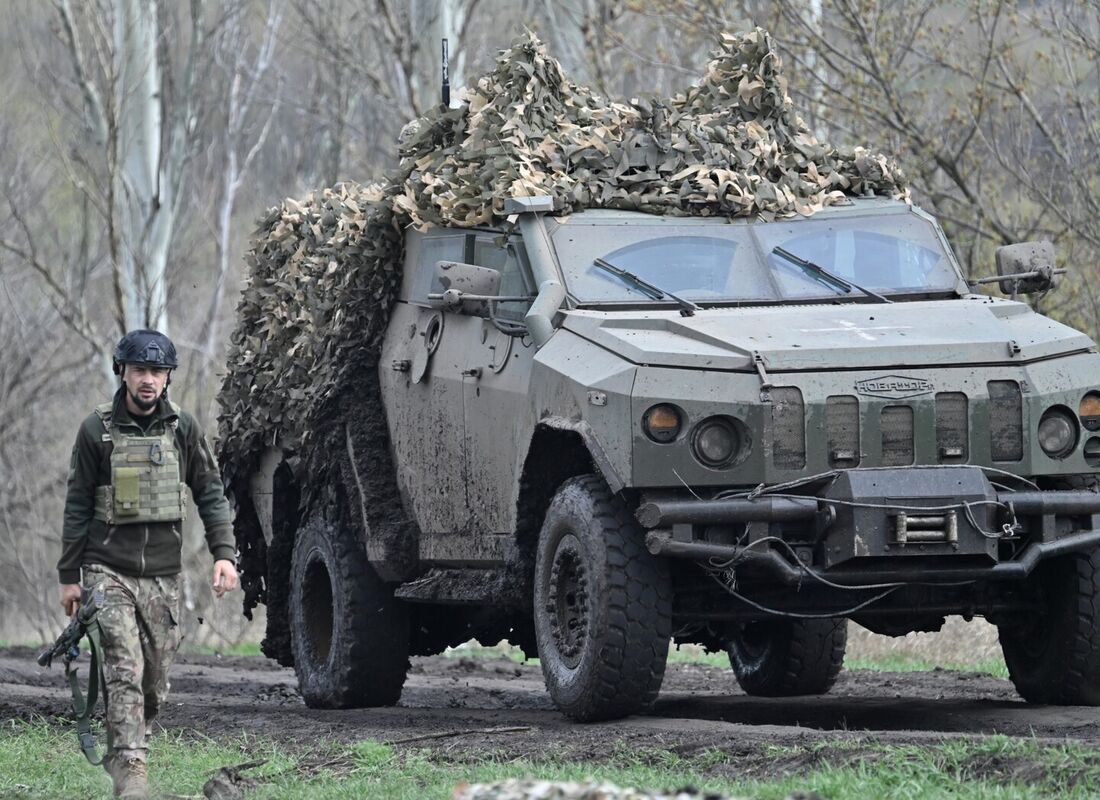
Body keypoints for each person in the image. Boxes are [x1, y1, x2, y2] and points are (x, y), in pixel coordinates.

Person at [57, 329, 239, 799]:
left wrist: (223, 554)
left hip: (163, 575)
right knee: (123, 667)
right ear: (122, 372)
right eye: (140, 369)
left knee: (154, 681)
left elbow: (210, 492)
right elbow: (77, 505)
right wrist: (69, 577)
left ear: (169, 377)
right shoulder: (95, 430)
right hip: (106, 569)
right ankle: (132, 774)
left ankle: (132, 744)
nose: (148, 380)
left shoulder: (183, 428)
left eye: (157, 371)